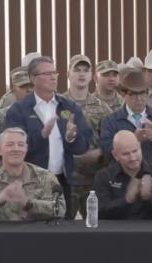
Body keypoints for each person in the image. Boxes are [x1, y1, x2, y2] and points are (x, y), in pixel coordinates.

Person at [4, 56, 93, 219]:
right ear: (33, 78)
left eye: (54, 73)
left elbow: (84, 145)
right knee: (33, 232)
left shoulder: (68, 106)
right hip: (30, 182)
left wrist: (72, 137)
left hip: (63, 181)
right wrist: (42, 135)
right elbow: (12, 148)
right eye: (47, 73)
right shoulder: (19, 110)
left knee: (62, 233)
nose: (53, 77)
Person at [0, 127, 66, 221]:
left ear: (26, 148)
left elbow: (60, 210)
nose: (16, 149)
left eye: (20, 145)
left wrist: (28, 204)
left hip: (36, 237)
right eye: (10, 144)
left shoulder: (45, 177)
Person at [62, 54, 113, 215]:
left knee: (94, 228)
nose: (82, 74)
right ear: (68, 74)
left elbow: (110, 140)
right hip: (65, 178)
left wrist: (99, 152)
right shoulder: (58, 104)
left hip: (93, 180)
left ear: (92, 75)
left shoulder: (102, 108)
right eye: (77, 70)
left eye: (86, 70)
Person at [100, 69, 152, 167]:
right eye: (133, 94)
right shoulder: (111, 121)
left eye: (142, 93)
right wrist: (133, 139)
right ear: (123, 94)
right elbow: (107, 152)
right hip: (124, 177)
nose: (139, 99)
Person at [94, 130, 152, 219]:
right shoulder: (104, 176)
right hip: (117, 230)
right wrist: (127, 200)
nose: (132, 158)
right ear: (115, 155)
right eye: (126, 154)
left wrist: (148, 197)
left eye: (135, 151)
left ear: (140, 148)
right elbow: (100, 213)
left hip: (151, 231)